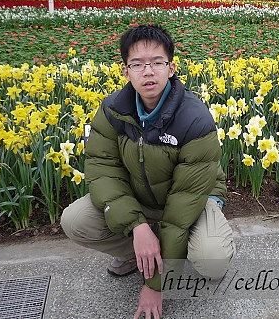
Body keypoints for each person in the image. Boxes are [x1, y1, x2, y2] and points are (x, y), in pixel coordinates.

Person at [61, 25, 235, 319]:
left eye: (157, 62)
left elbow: (182, 208)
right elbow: (103, 171)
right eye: (138, 64)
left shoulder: (194, 119)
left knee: (212, 260)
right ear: (125, 71)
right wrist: (138, 228)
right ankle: (140, 253)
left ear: (171, 68)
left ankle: (163, 253)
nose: (148, 71)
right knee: (75, 220)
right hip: (142, 199)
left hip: (193, 199)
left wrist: (156, 285)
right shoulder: (113, 110)